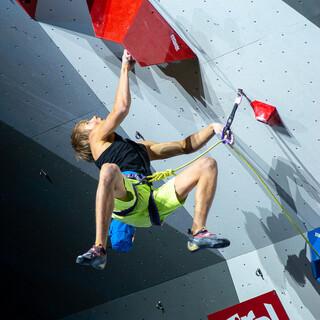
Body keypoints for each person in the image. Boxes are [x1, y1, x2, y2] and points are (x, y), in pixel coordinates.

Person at [71, 49, 230, 270]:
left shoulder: (139, 149)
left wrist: (214, 128)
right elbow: (121, 108)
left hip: (151, 207)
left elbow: (185, 146)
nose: (96, 118)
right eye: (90, 122)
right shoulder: (97, 141)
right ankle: (99, 247)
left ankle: (197, 232)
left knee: (207, 165)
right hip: (126, 197)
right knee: (108, 170)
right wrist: (125, 68)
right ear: (88, 138)